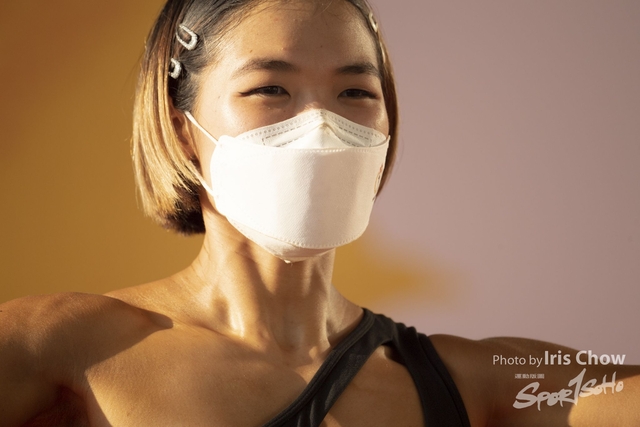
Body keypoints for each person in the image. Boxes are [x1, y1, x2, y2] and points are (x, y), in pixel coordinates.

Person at [0, 0, 638, 426]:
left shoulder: (473, 380)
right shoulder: (63, 348)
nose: (321, 127)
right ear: (182, 129)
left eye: (356, 91)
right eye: (270, 88)